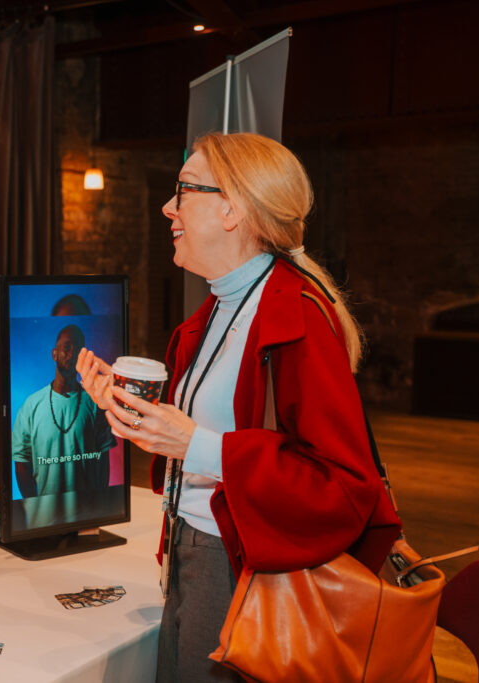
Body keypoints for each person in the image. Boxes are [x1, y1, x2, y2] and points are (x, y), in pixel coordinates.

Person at [76, 132, 401, 682]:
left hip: (241, 567)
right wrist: (130, 408)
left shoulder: (296, 319)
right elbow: (208, 430)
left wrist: (195, 445)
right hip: (195, 550)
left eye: (184, 190)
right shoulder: (219, 309)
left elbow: (346, 484)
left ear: (232, 209)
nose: (168, 207)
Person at [12, 324, 115, 497]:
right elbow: (21, 461)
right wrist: (32, 505)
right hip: (45, 511)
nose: (72, 354)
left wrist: (100, 500)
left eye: (78, 350)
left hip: (87, 507)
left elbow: (103, 459)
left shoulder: (95, 403)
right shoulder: (31, 405)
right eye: (67, 347)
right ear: (54, 354)